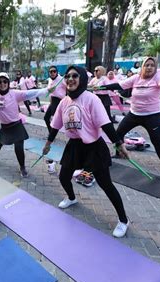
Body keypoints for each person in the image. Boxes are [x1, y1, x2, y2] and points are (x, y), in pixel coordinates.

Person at [43, 65, 131, 238]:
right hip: (74, 146)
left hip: (93, 147)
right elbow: (55, 126)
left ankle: (123, 220)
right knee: (63, 177)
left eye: (75, 76)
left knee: (106, 184)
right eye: (67, 76)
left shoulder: (91, 99)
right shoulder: (64, 102)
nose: (70, 79)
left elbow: (106, 125)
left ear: (82, 78)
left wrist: (119, 144)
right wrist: (48, 143)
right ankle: (72, 198)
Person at [98, 57, 160, 178]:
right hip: (134, 114)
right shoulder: (136, 78)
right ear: (142, 67)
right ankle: (119, 153)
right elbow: (120, 85)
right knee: (118, 134)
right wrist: (101, 88)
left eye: (152, 65)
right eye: (147, 65)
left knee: (157, 142)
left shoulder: (158, 77)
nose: (149, 67)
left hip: (152, 116)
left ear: (155, 67)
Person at [0, 72, 52, 177]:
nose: (2, 84)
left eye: (5, 81)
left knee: (18, 148)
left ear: (8, 82)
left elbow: (31, 93)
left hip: (16, 126)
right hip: (4, 127)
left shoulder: (14, 94)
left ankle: (22, 167)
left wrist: (46, 90)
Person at [44, 66, 67, 133]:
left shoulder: (61, 79)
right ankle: (51, 133)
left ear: (57, 72)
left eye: (54, 71)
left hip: (59, 100)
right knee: (46, 118)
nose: (52, 73)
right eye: (51, 71)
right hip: (53, 100)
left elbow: (68, 87)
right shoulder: (50, 80)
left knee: (56, 120)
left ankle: (52, 135)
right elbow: (49, 91)